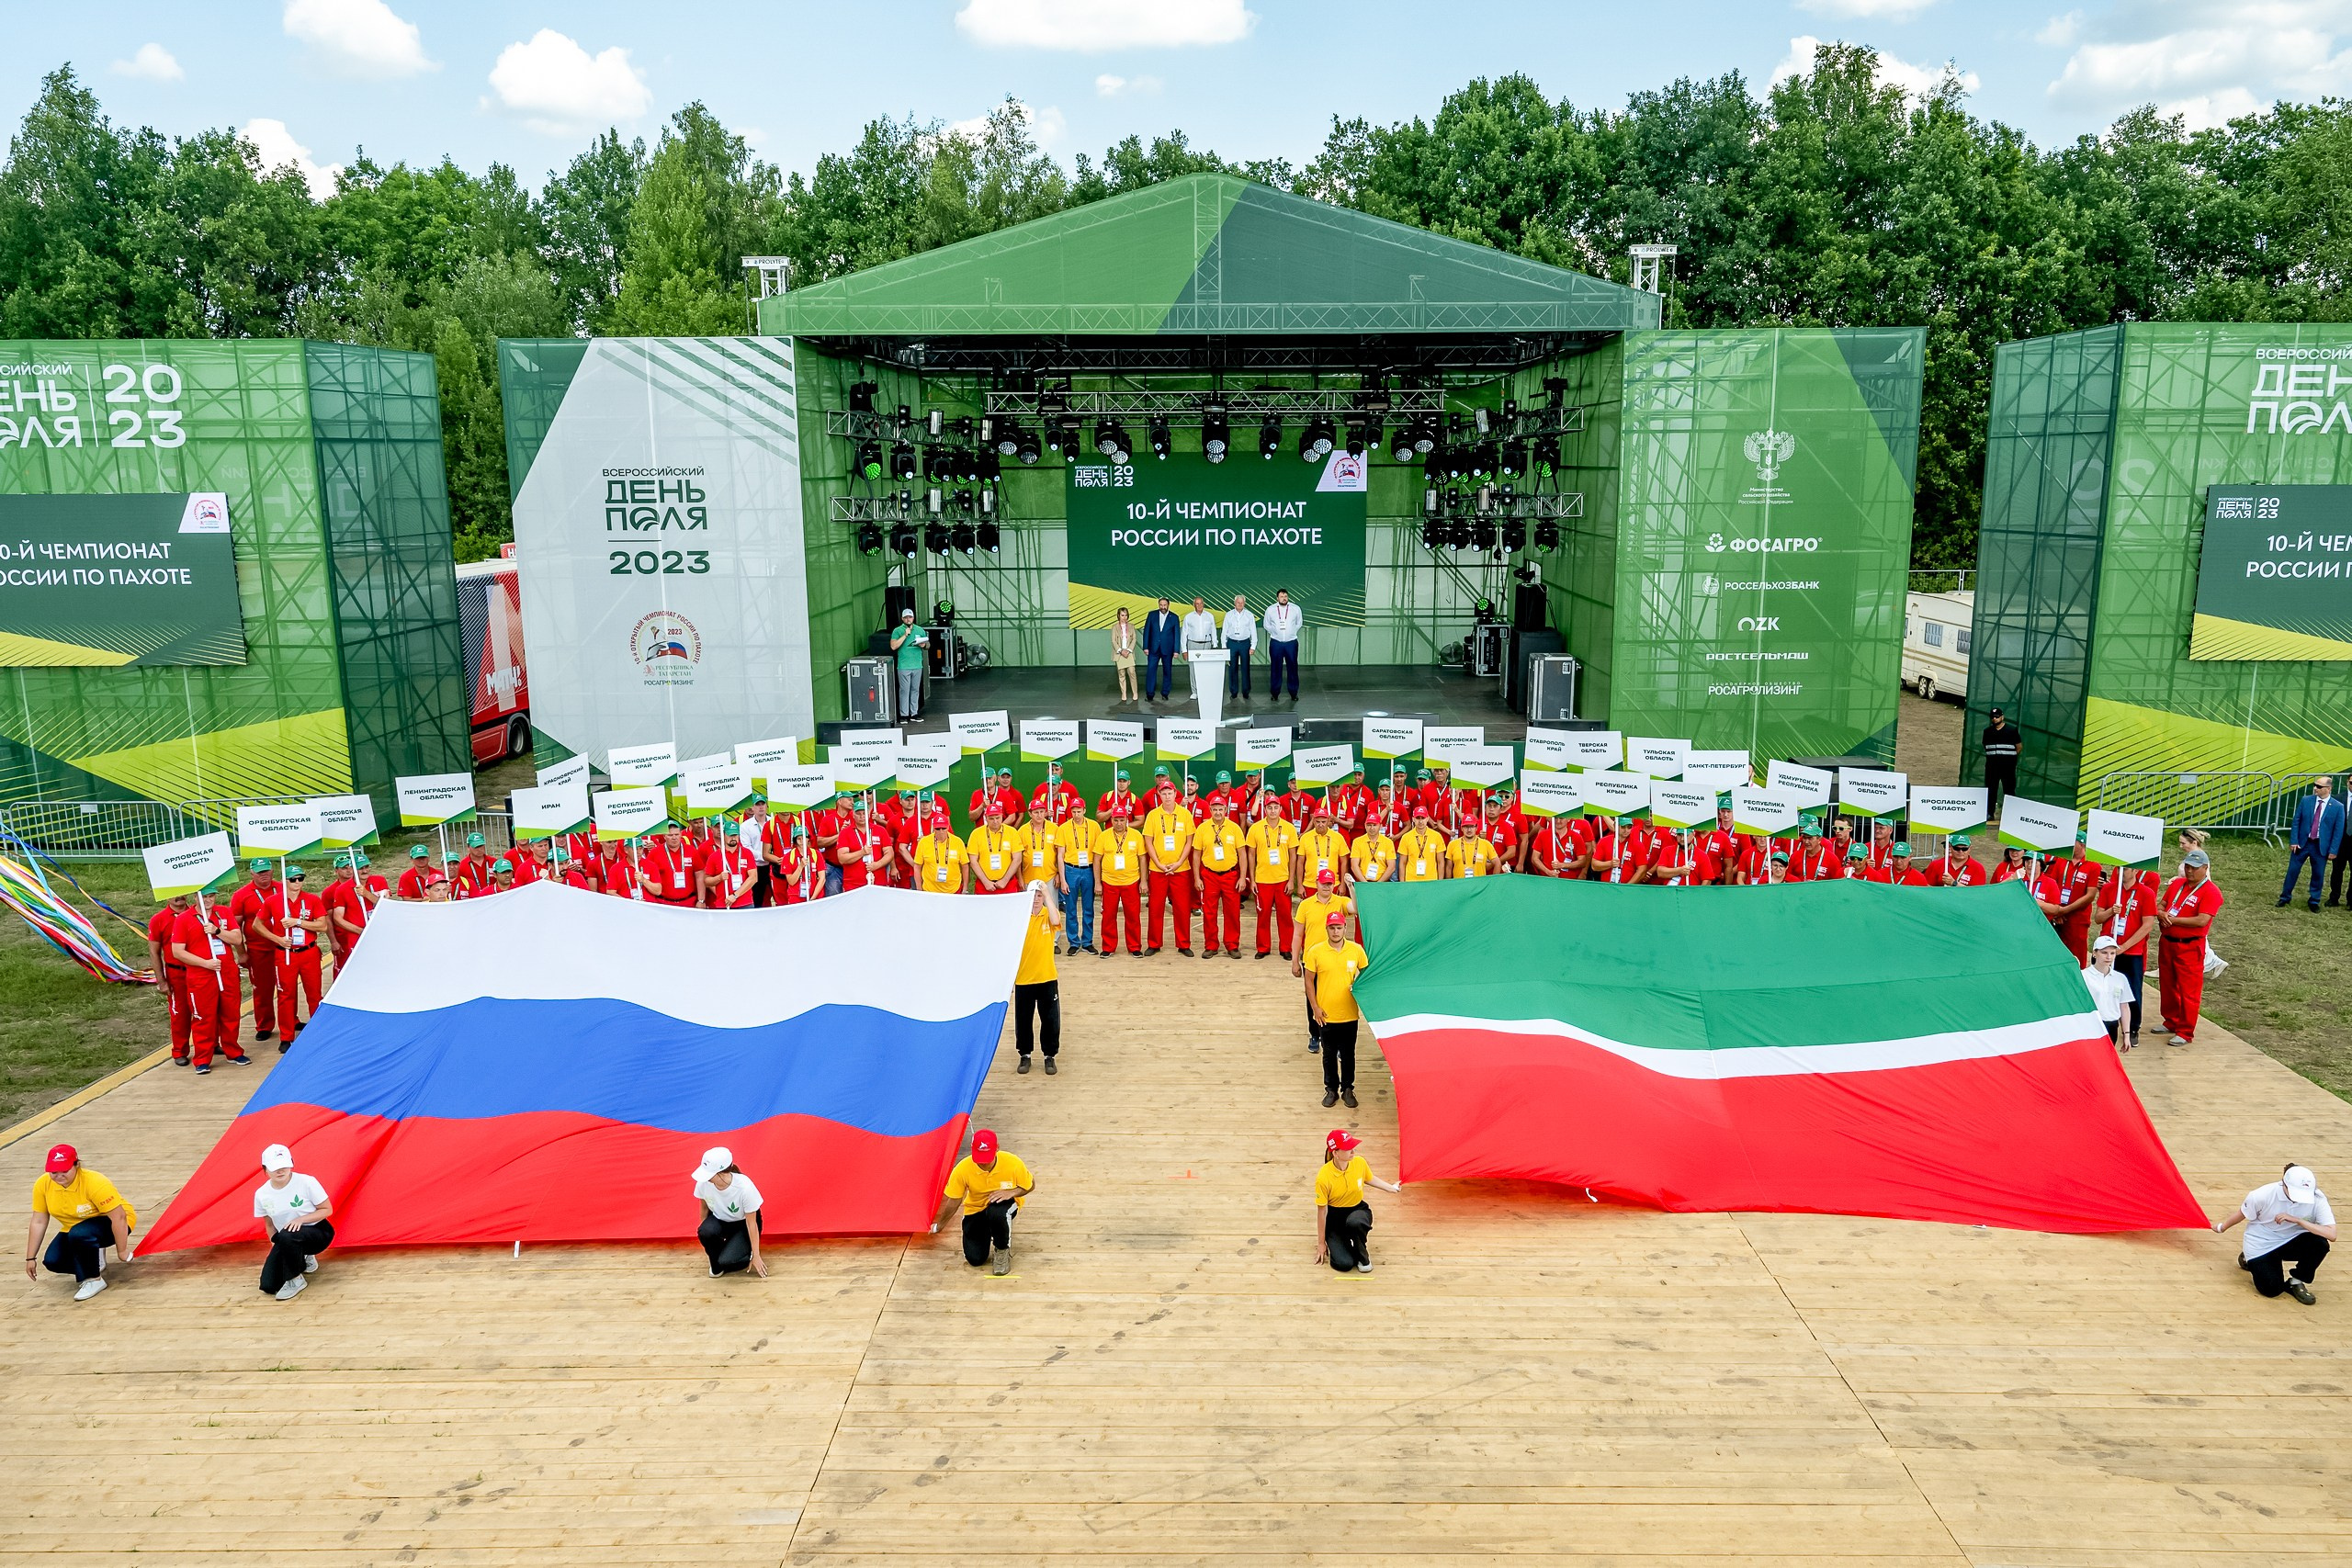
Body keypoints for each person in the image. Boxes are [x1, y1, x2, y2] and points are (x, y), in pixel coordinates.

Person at [26, 1145, 135, 1302]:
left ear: (77, 1165)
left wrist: (122, 1251)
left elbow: (119, 1217)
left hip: (112, 1222)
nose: (59, 1176)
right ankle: (92, 1256)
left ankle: (94, 1279)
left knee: (81, 1233)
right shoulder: (42, 1184)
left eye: (64, 1170)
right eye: (53, 1172)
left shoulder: (95, 1182)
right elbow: (39, 1221)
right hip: (74, 1227)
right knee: (53, 1261)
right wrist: (30, 1258)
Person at [2214, 1163, 2333, 1303]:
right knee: (2271, 1290)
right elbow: (2242, 1214)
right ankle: (2250, 1258)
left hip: (2292, 1240)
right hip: (2261, 1244)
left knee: (2320, 1244)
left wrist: (2298, 1221)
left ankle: (2296, 1281)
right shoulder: (2261, 1195)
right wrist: (2222, 1227)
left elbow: (2331, 1234)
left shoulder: (2317, 1198)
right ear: (2284, 1184)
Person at [171, 892, 250, 1074]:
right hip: (201, 975)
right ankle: (202, 1058)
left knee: (231, 1012)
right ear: (195, 898)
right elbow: (178, 951)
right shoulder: (184, 919)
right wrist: (204, 963)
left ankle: (233, 1051)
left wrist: (217, 931)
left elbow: (237, 938)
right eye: (204, 897)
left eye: (211, 896)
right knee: (203, 1018)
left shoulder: (224, 913)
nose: (208, 900)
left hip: (226, 971)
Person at [940, 1128, 1031, 1275]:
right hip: (976, 1209)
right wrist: (941, 1224)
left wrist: (1011, 1193)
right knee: (975, 1259)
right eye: (979, 1158)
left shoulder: (1013, 1163)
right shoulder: (962, 1169)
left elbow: (1030, 1185)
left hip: (1004, 1205)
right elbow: (954, 1199)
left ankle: (1002, 1249)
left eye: (987, 1158)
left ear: (997, 1148)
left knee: (998, 1213)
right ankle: (990, 1229)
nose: (983, 1163)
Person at [1303, 909, 1370, 1108]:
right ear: (1326, 929)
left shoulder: (1356, 950)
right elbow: (1308, 981)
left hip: (1349, 1013)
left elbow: (1367, 975)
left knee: (1349, 1054)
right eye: (1332, 928)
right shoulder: (1315, 951)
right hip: (1326, 1014)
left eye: (1338, 927)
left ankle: (1348, 1088)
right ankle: (1331, 1089)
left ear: (1345, 928)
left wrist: (1359, 987)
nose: (1335, 932)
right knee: (1329, 1054)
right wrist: (1315, 1008)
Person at [2157, 848, 2224, 1045]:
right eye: (2187, 866)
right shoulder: (2177, 884)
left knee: (2189, 989)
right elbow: (2161, 904)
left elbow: (2201, 921)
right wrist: (2161, 914)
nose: (2189, 871)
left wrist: (2173, 920)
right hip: (2168, 942)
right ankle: (2171, 1021)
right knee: (2167, 983)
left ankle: (2186, 1031)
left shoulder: (2211, 892)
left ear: (2205, 868)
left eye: (2194, 868)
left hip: (2190, 946)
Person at [251, 1142, 334, 1300]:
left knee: (288, 1234)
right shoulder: (261, 1194)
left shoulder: (307, 1182)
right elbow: (269, 1224)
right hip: (287, 1238)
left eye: (284, 1165)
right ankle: (299, 1258)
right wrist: (278, 1248)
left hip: (317, 1232)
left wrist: (301, 1219)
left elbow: (327, 1210)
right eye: (274, 1167)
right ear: (265, 1170)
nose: (280, 1170)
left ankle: (296, 1279)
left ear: (292, 1164)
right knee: (269, 1285)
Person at [259, 865, 328, 1052]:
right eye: (293, 879)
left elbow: (322, 926)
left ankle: (318, 1033)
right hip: (285, 954)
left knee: (314, 994)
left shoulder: (312, 899)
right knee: (286, 996)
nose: (297, 882)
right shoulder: (273, 901)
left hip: (308, 952)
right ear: (285, 881)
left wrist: (298, 922)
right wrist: (277, 938)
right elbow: (257, 925)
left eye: (300, 878)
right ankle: (286, 1037)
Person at [1314, 1129, 1400, 1274]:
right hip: (1335, 1219)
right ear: (1335, 1153)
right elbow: (1322, 1213)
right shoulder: (1323, 1177)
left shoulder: (1359, 1162)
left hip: (1357, 1210)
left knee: (1356, 1222)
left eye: (1353, 1146)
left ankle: (1362, 1255)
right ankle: (1345, 1242)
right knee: (1343, 1264)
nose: (1353, 1151)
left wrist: (1391, 1188)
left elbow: (1369, 1178)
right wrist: (1321, 1244)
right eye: (1348, 1148)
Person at [1293, 871, 1356, 1056]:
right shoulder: (1305, 905)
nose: (1326, 887)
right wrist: (1295, 959)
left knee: (1336, 997)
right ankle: (1315, 1034)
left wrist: (1351, 887)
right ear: (1316, 883)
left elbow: (1357, 908)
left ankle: (1334, 1040)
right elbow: (1298, 934)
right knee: (1312, 998)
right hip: (1312, 960)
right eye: (1323, 883)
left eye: (1330, 883)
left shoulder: (1340, 901)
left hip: (1336, 958)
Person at [2095, 863, 2158, 1046]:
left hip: (2131, 951)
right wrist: (2110, 912)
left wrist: (2124, 946)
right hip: (2107, 949)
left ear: (2136, 871)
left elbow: (2147, 925)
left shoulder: (2146, 893)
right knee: (2103, 985)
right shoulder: (2109, 889)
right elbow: (2098, 918)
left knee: (2131, 990)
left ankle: (2132, 1029)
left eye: (2126, 869)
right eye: (2119, 869)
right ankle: (2103, 1023)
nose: (2121, 872)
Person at [227, 858, 282, 1045]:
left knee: (287, 987)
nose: (264, 875)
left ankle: (292, 1020)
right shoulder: (241, 895)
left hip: (284, 947)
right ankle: (265, 1025)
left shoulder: (283, 888)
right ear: (251, 874)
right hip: (259, 950)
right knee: (263, 990)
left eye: (267, 871)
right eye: (260, 872)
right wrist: (241, 953)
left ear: (273, 871)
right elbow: (236, 927)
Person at [692, 1146, 767, 1279]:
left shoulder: (744, 1188)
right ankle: (720, 1257)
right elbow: (704, 1208)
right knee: (705, 1232)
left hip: (743, 1225)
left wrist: (756, 1255)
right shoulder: (703, 1184)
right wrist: (707, 1239)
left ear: (721, 1172)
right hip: (720, 1220)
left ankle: (742, 1252)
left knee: (727, 1261)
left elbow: (752, 1224)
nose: (705, 1178)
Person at [1012, 883, 1063, 1074]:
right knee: (1024, 1020)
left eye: (1039, 896)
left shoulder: (1047, 917)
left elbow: (1056, 918)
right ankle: (1024, 1055)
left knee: (1050, 1020)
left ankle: (1049, 1056)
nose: (1036, 899)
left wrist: (1048, 895)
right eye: (1032, 895)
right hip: (1024, 978)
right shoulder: (1020, 918)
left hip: (1046, 977)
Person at [1243, 794, 1298, 959]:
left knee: (1285, 916)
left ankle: (1286, 947)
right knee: (1263, 915)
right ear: (1264, 809)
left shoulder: (1289, 828)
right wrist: (1252, 880)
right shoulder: (1255, 828)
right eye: (1269, 807)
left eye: (1276, 807)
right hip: (1262, 879)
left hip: (1282, 880)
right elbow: (1251, 855)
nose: (1273, 811)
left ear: (1280, 809)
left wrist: (1291, 880)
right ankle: (1263, 947)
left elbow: (1293, 855)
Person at [1144, 784, 1197, 954]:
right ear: (1159, 794)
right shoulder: (1153, 815)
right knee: (1155, 908)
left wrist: (1179, 862)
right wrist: (1159, 864)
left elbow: (1190, 841)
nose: (1167, 796)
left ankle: (1183, 944)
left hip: (1180, 869)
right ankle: (1154, 943)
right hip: (1158, 870)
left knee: (1182, 908)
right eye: (1164, 793)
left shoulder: (1185, 814)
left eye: (1170, 793)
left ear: (1176, 794)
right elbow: (1148, 842)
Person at [1193, 795, 1246, 959]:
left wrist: (1242, 877)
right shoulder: (1202, 828)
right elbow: (1196, 855)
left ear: (1226, 810)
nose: (1217, 812)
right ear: (1210, 810)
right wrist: (1197, 878)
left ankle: (1232, 945)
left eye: (1220, 809)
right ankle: (1211, 945)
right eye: (1214, 809)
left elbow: (1242, 854)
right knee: (1209, 912)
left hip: (1230, 875)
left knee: (1232, 912)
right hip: (1209, 875)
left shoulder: (1234, 828)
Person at [2280, 775, 2344, 909]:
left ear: (2328, 789)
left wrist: (2333, 850)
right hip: (2302, 843)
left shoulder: (2338, 807)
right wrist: (2294, 840)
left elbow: (2338, 831)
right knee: (2292, 871)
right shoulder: (2306, 800)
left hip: (2320, 846)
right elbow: (2296, 821)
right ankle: (2285, 897)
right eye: (2315, 785)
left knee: (2318, 874)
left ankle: (2314, 901)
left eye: (2319, 787)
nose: (2315, 788)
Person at [148, 893, 192, 1064]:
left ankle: (210, 1044)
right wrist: (161, 981)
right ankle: (180, 1051)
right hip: (176, 973)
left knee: (206, 1010)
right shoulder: (158, 919)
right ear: (166, 896)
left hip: (199, 970)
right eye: (174, 894)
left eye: (182, 892)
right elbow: (154, 952)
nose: (179, 897)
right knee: (179, 1013)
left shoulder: (199, 913)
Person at [1098, 807, 1146, 956]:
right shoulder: (1104, 836)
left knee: (1132, 916)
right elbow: (1097, 859)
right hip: (1109, 882)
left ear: (1127, 820)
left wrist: (1143, 881)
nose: (1119, 823)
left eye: (1122, 820)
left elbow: (1142, 858)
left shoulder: (1136, 835)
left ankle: (1134, 947)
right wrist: (1098, 883)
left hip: (1131, 882)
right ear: (1111, 820)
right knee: (1108, 916)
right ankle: (1108, 947)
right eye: (1116, 820)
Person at [1055, 796, 1099, 953]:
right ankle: (1074, 942)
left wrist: (1098, 878)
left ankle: (1087, 941)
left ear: (1084, 810)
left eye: (1079, 811)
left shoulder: (1094, 826)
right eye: (1073, 811)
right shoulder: (1064, 828)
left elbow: (1098, 852)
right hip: (1071, 869)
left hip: (1088, 869)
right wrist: (1063, 879)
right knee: (1071, 907)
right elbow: (1060, 855)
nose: (1076, 814)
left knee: (1089, 907)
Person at [2084, 935, 2133, 1050]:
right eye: (2104, 952)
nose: (2108, 957)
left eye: (2112, 953)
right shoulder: (2084, 976)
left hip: (2111, 1026)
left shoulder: (2120, 978)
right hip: (2090, 1025)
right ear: (2094, 953)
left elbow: (2124, 1007)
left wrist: (2126, 1034)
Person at [913, 813, 969, 895]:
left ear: (948, 827)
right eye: (938, 829)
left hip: (953, 890)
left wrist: (965, 888)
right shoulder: (924, 842)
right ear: (933, 828)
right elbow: (917, 867)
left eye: (944, 828)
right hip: (929, 890)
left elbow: (965, 866)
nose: (941, 832)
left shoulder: (958, 842)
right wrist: (919, 889)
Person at [1981, 706, 2021, 818]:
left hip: (2007, 767)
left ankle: (2010, 814)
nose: (1995, 719)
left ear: (2002, 717)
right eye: (1992, 717)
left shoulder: (2012, 730)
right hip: (1992, 767)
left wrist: (2009, 759)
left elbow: (2019, 747)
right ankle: (1990, 813)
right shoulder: (1987, 732)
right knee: (1991, 790)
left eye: (1997, 717)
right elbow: (1986, 746)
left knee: (2009, 790)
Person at [889, 608, 928, 721]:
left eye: (910, 617)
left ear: (913, 618)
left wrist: (924, 645)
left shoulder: (920, 630)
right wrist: (905, 635)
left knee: (915, 690)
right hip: (904, 665)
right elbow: (893, 646)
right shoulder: (897, 631)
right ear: (902, 619)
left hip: (917, 665)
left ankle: (914, 713)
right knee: (904, 690)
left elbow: (928, 645)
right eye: (906, 617)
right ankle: (904, 714)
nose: (908, 619)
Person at [1264, 587, 1303, 700]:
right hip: (1276, 643)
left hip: (1291, 643)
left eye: (1285, 596)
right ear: (1277, 598)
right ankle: (1275, 693)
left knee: (1293, 667)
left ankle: (1293, 693)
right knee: (1276, 668)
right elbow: (1267, 625)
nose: (1284, 598)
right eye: (1281, 596)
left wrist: (1292, 632)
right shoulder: (1270, 609)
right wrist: (1275, 632)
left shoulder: (1295, 609)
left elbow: (1299, 623)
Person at [1142, 595, 1182, 702]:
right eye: (1161, 605)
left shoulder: (1174, 617)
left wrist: (1176, 650)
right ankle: (1150, 694)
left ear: (1168, 605)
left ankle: (1165, 693)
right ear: (1158, 605)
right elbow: (1147, 631)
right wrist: (1145, 647)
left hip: (1168, 649)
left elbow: (1177, 634)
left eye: (1164, 605)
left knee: (1167, 671)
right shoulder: (1152, 615)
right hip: (1153, 648)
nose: (1163, 607)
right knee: (1151, 670)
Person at [1223, 593, 1258, 699]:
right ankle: (1233, 691)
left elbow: (1253, 632)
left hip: (1245, 643)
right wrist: (1224, 647)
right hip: (1232, 643)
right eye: (1238, 602)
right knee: (1232, 668)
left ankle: (1246, 691)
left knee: (1245, 668)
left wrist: (1253, 646)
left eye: (1242, 603)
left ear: (1245, 603)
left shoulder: (1249, 615)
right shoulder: (1228, 615)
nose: (1240, 604)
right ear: (1234, 603)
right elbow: (1224, 631)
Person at [1110, 604, 1139, 703]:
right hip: (1119, 653)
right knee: (1121, 674)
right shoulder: (1114, 627)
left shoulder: (1131, 626)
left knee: (1132, 672)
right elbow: (1113, 641)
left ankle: (1135, 692)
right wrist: (1121, 651)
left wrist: (1129, 650)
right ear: (1118, 616)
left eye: (1126, 615)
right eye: (1122, 615)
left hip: (1129, 652)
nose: (1124, 617)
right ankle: (1124, 693)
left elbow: (1134, 639)